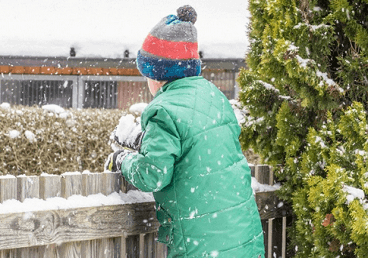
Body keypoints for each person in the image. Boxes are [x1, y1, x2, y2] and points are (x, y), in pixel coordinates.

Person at [106, 5, 265, 258]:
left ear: (157, 75)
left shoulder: (162, 109)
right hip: (244, 239)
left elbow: (153, 175)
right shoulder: (214, 97)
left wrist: (122, 160)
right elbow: (197, 147)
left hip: (200, 247)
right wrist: (142, 140)